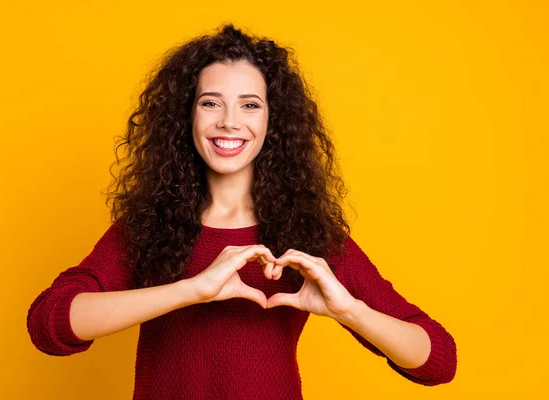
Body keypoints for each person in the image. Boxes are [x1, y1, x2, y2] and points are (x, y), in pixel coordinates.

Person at [27, 23, 457, 399]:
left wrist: (349, 311)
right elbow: (49, 323)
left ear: (275, 121)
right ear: (186, 116)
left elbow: (437, 361)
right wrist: (192, 289)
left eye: (250, 104)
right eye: (210, 102)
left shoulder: (306, 234)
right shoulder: (149, 226)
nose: (230, 121)